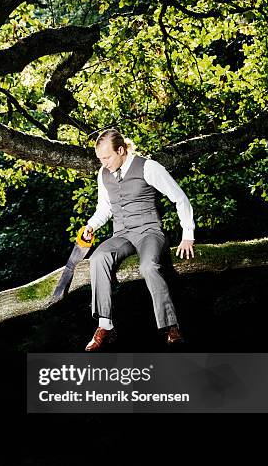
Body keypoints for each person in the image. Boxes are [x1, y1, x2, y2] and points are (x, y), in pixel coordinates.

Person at [83, 128, 195, 351]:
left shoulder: (148, 167)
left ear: (121, 150)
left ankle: (171, 326)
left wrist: (187, 235)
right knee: (98, 258)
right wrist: (91, 225)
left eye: (107, 157)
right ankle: (105, 324)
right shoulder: (103, 174)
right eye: (100, 158)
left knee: (148, 267)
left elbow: (179, 198)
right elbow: (104, 208)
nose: (103, 162)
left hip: (149, 232)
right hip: (122, 234)